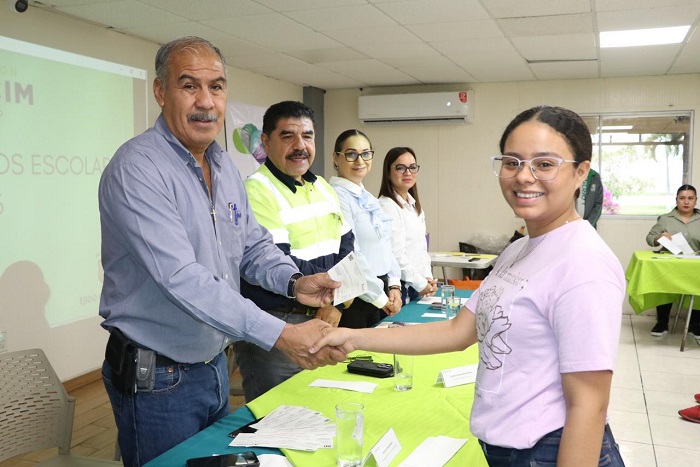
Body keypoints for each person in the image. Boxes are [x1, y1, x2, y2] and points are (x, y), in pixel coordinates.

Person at [311, 105, 627, 467]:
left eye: (544, 163)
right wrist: (352, 338)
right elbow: (457, 330)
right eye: (512, 162)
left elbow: (589, 404)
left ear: (580, 173)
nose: (524, 176)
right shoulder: (521, 248)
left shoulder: (583, 263)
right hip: (510, 449)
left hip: (550, 450)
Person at [98, 37, 345, 467]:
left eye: (217, 87)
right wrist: (281, 333)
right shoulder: (137, 168)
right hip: (158, 378)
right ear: (160, 92)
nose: (206, 102)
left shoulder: (224, 165)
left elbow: (251, 245)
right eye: (189, 86)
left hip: (213, 364)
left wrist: (294, 281)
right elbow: (183, 279)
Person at [237, 101, 355, 401]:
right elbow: (275, 259)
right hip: (279, 325)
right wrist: (327, 299)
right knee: (279, 419)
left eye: (307, 136)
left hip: (326, 319)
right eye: (288, 136)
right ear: (266, 141)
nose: (300, 146)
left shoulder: (324, 188)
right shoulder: (257, 189)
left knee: (319, 412)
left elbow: (348, 249)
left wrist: (336, 304)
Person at [329, 129, 402, 327]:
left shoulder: (368, 198)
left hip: (381, 292)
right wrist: (379, 297)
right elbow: (351, 253)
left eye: (366, 154)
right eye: (351, 154)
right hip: (356, 296)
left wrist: (394, 285)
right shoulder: (336, 196)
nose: (360, 161)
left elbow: (386, 246)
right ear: (336, 158)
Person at [378, 147, 437, 305]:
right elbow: (396, 256)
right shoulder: (386, 205)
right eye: (400, 168)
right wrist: (421, 283)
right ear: (388, 172)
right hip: (399, 287)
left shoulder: (415, 207)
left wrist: (427, 278)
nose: (408, 172)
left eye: (412, 167)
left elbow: (422, 249)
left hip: (417, 285)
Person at [645, 184, 700, 338]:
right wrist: (658, 238)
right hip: (669, 264)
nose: (686, 202)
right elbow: (649, 238)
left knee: (698, 286)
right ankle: (662, 322)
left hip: (695, 265)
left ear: (696, 201)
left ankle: (695, 324)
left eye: (690, 198)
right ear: (676, 200)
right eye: (682, 198)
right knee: (663, 286)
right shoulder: (665, 219)